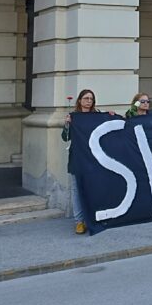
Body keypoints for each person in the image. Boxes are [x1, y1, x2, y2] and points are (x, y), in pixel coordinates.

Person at [62, 89, 101, 235]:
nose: (89, 101)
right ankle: (79, 221)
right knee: (76, 190)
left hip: (93, 159)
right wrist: (67, 125)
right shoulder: (74, 117)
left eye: (91, 98)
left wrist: (109, 115)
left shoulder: (97, 116)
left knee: (93, 188)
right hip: (77, 158)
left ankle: (91, 217)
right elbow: (65, 137)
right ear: (79, 100)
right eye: (86, 98)